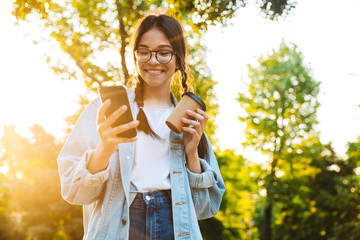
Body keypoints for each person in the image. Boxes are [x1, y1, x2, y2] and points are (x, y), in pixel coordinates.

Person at [57, 13, 225, 240]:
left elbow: (206, 208)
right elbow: (73, 191)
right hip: (119, 227)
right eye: (144, 52)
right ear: (135, 56)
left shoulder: (187, 117)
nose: (153, 60)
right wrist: (104, 149)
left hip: (174, 227)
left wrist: (192, 154)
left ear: (178, 60)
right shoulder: (105, 109)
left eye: (164, 53)